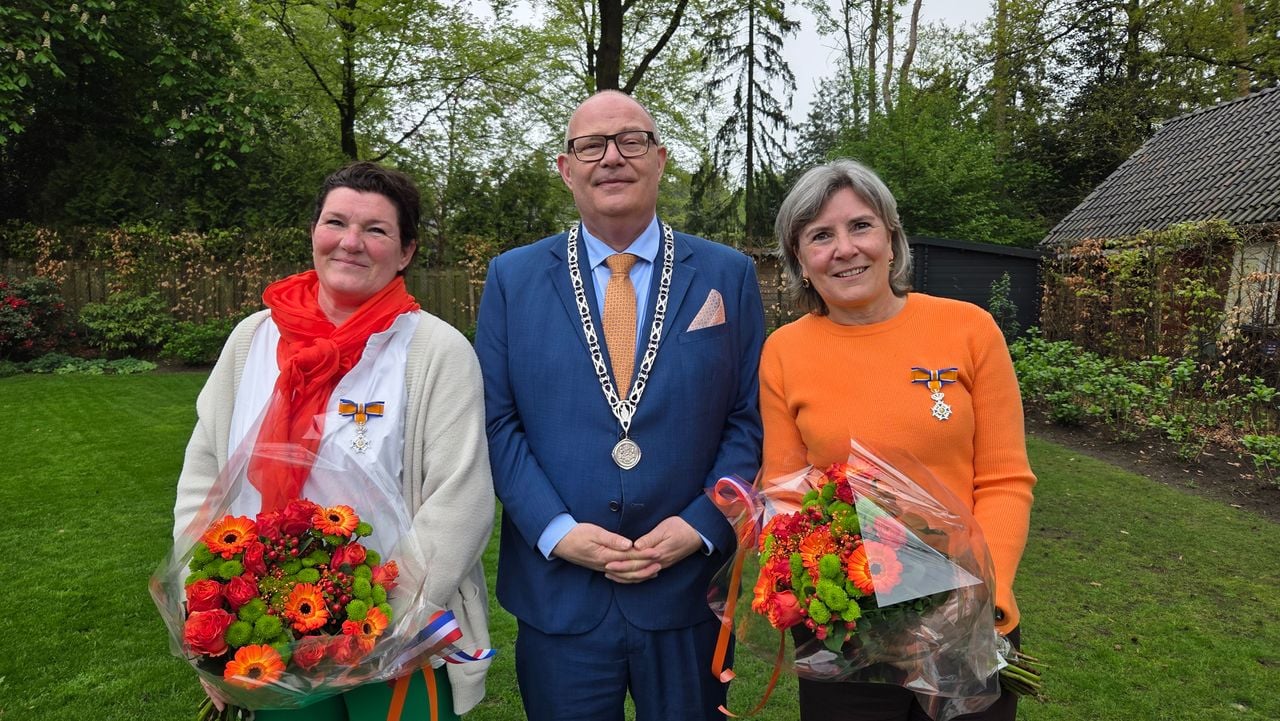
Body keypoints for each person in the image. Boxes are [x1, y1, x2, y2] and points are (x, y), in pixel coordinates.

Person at [474, 90, 765, 721]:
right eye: (591, 145)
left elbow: (749, 419)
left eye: (631, 141)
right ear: (566, 167)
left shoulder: (728, 275)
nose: (612, 158)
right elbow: (497, 423)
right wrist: (557, 532)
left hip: (689, 593)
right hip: (561, 597)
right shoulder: (512, 279)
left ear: (660, 159)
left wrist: (703, 524)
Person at [172, 161, 494, 720]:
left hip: (393, 639)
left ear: (407, 251)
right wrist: (208, 613)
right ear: (314, 232)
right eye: (335, 222)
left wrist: (374, 628)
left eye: (376, 230)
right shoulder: (251, 340)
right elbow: (203, 476)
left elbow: (459, 501)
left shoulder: (435, 352)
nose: (350, 242)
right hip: (268, 631)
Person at [761, 159, 1036, 721]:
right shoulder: (784, 351)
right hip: (849, 637)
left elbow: (1005, 479)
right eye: (820, 236)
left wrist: (986, 596)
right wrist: (812, 591)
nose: (845, 248)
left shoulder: (969, 329)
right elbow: (787, 494)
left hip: (969, 617)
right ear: (801, 263)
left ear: (892, 238)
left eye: (860, 225)